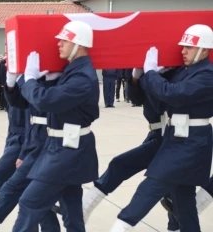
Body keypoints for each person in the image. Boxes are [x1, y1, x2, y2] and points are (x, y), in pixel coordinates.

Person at [110, 24, 213, 232]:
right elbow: (154, 100)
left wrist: (151, 74)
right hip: (175, 140)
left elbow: (172, 94)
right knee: (184, 204)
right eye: (183, 46)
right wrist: (141, 77)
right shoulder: (182, 72)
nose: (183, 50)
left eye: (189, 47)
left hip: (191, 143)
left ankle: (119, 228)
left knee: (150, 187)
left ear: (204, 50)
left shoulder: (207, 75)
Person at [52, 66, 176, 223]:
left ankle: (83, 210)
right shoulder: (151, 70)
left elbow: (161, 104)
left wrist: (152, 74)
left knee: (121, 165)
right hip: (155, 133)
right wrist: (136, 78)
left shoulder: (171, 72)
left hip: (166, 135)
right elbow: (136, 99)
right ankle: (177, 224)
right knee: (174, 190)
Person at [10, 20, 99, 232]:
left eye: (65, 41)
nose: (59, 44)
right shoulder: (72, 72)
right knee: (72, 211)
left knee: (29, 202)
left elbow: (46, 101)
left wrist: (30, 80)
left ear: (79, 44)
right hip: (63, 146)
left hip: (68, 151)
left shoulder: (82, 77)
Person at [0, 71, 61, 231]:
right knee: (32, 196)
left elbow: (29, 124)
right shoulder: (24, 81)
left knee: (16, 191)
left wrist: (24, 153)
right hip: (21, 142)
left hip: (31, 145)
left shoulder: (33, 83)